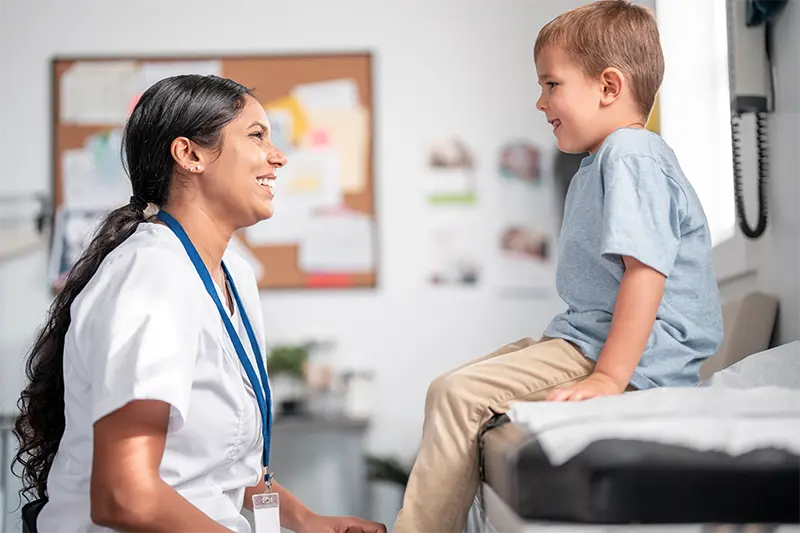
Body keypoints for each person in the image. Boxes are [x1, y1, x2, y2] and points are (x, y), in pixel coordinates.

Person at [392, 2, 724, 532]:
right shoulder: (605, 160)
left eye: (551, 84)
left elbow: (646, 273)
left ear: (608, 87)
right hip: (584, 339)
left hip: (632, 359)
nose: (539, 101)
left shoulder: (631, 155)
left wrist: (611, 378)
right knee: (454, 384)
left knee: (456, 395)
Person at [12, 74, 386, 533]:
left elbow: (218, 462)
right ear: (190, 155)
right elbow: (122, 495)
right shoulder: (151, 274)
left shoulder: (235, 275)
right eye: (256, 136)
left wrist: (306, 520)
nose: (279, 156)